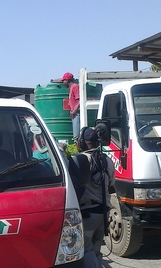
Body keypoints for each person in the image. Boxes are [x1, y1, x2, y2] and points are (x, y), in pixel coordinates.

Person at [77, 128, 115, 267]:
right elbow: (111, 184)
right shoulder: (107, 160)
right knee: (97, 250)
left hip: (88, 213)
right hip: (103, 213)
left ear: (82, 143)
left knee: (86, 249)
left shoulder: (81, 160)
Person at [60, 72, 80, 139]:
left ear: (67, 80)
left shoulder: (75, 87)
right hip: (74, 113)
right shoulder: (71, 88)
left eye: (63, 81)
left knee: (76, 135)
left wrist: (74, 111)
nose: (63, 82)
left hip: (77, 113)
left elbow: (80, 101)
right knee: (75, 134)